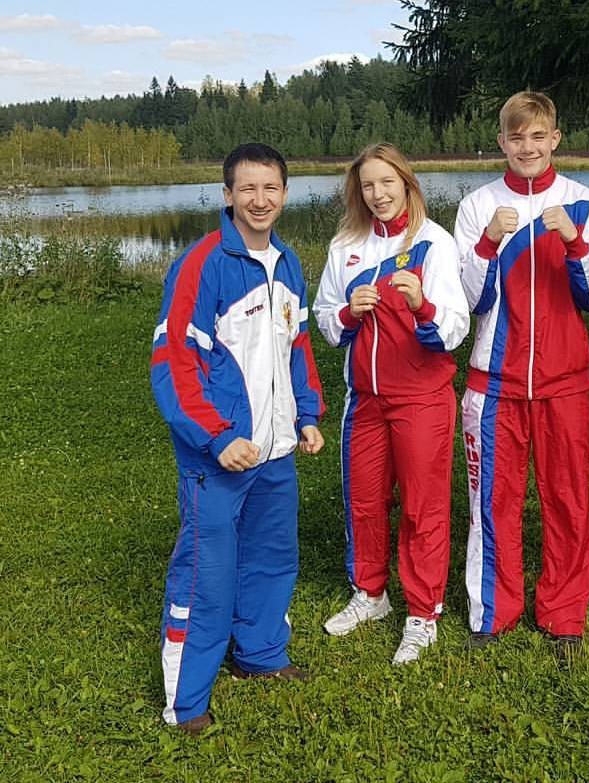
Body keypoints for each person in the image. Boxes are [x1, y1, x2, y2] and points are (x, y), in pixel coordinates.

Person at [150, 142, 326, 735]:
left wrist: (306, 414)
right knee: (207, 575)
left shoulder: (289, 262)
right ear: (227, 195)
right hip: (220, 457)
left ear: (285, 194)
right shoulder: (201, 263)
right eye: (247, 188)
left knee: (272, 560)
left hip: (275, 452)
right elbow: (174, 363)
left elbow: (297, 347)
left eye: (270, 188)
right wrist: (216, 437)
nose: (259, 199)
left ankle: (261, 655)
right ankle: (187, 703)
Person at [454, 91, 589, 654]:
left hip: (564, 381)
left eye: (538, 136)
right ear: (502, 142)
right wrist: (487, 243)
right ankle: (493, 612)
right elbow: (469, 301)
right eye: (517, 137)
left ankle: (564, 613)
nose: (528, 147)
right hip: (493, 383)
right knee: (492, 501)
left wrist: (574, 242)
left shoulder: (585, 203)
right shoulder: (477, 205)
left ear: (555, 139)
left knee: (567, 499)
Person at [313, 143, 469, 665]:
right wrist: (347, 313)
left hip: (421, 398)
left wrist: (421, 304)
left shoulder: (433, 242)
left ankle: (423, 613)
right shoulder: (345, 245)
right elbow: (325, 318)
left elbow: (454, 329)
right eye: (368, 185)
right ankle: (371, 593)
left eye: (387, 182)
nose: (378, 194)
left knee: (424, 507)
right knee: (364, 500)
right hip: (365, 400)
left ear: (406, 183)